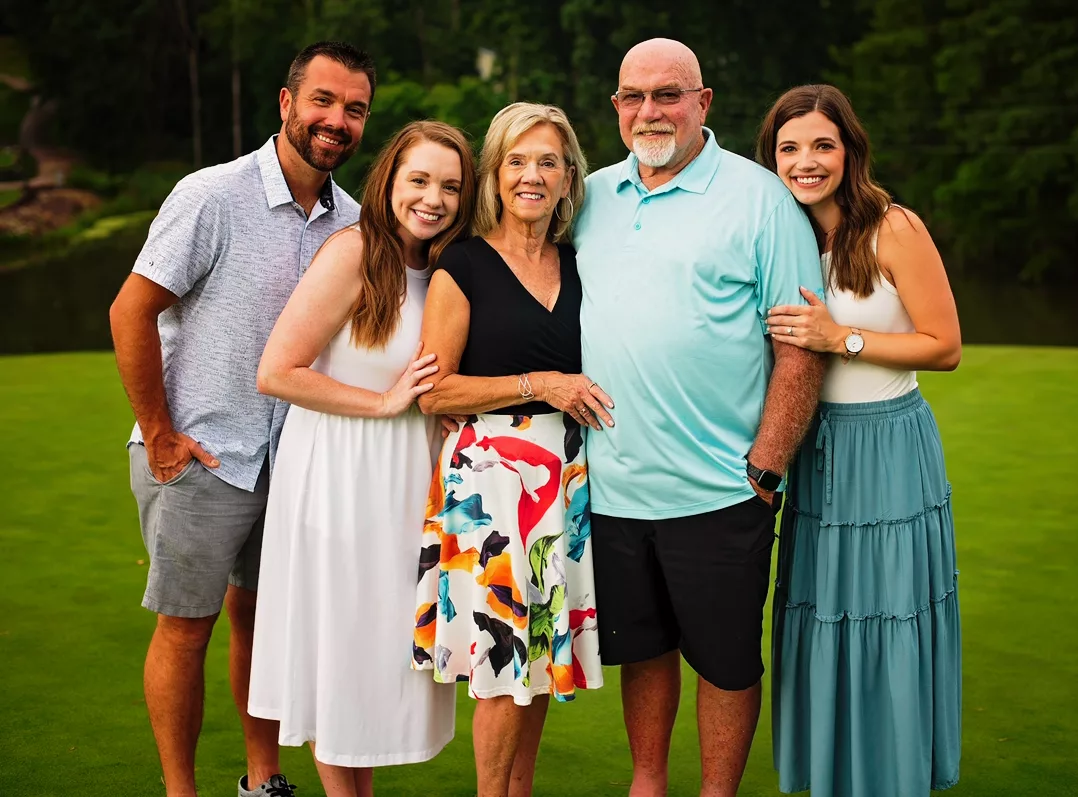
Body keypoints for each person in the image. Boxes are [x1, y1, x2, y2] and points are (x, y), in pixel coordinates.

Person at [107, 41, 374, 797]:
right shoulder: (210, 195)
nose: (336, 120)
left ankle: (263, 781)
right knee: (186, 626)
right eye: (323, 101)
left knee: (260, 622)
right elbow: (131, 309)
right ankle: (180, 791)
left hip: (292, 464)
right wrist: (159, 433)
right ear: (287, 104)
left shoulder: (353, 224)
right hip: (201, 454)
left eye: (354, 109)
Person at [572, 38, 826, 797]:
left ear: (702, 102)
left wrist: (767, 464)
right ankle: (646, 782)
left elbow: (799, 349)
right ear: (615, 106)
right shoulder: (586, 196)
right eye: (632, 96)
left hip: (721, 489)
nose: (649, 111)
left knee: (723, 660)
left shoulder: (761, 199)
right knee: (644, 652)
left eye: (667, 94)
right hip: (610, 489)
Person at [247, 120, 474, 797]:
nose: (432, 198)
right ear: (389, 182)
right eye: (419, 180)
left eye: (450, 186)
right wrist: (381, 403)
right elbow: (277, 370)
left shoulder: (444, 272)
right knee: (339, 649)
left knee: (378, 654)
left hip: (409, 484)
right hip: (339, 476)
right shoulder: (352, 253)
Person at [756, 84, 962, 797]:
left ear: (849, 150)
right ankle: (833, 772)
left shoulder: (891, 227)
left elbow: (944, 346)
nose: (805, 161)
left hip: (887, 447)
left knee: (887, 605)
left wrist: (837, 337)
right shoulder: (777, 236)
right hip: (815, 453)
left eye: (821, 145)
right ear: (770, 157)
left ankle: (892, 773)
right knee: (825, 609)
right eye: (789, 147)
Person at [412, 102, 606, 797]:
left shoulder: (579, 264)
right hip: (490, 484)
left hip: (565, 483)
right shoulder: (461, 264)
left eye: (547, 161)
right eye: (516, 161)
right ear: (493, 174)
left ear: (567, 177)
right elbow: (433, 393)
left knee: (538, 663)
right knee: (503, 668)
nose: (532, 175)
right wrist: (540, 383)